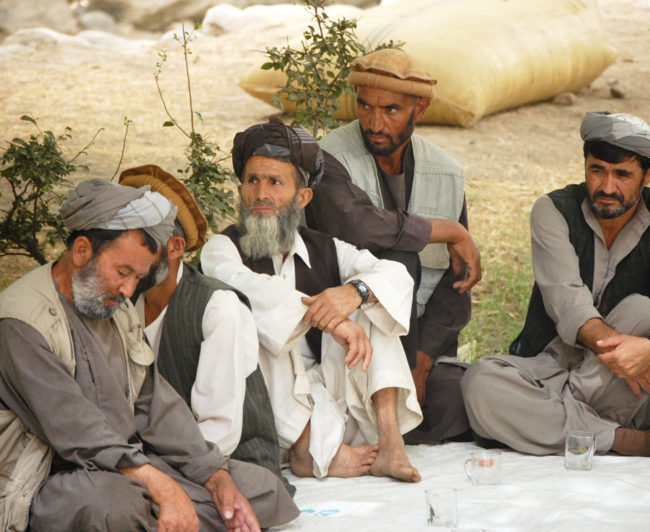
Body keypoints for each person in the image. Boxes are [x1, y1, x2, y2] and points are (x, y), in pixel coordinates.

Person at [0, 179, 298, 531]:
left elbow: (154, 403)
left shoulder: (113, 306)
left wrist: (214, 476)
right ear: (81, 251)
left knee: (260, 488)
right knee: (114, 507)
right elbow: (77, 431)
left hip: (129, 464)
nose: (128, 290)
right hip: (53, 476)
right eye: (122, 272)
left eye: (137, 278)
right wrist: (162, 487)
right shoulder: (21, 322)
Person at [462, 111, 650, 459]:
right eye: (597, 170)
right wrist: (619, 354)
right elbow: (568, 302)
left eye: (622, 174)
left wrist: (648, 349)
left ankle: (550, 419)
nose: (607, 187)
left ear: (648, 174)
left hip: (636, 383)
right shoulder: (553, 211)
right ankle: (619, 438)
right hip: (554, 365)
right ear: (585, 165)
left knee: (644, 312)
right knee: (479, 382)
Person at [200, 122, 424, 482]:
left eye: (275, 182)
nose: (261, 194)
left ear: (302, 197)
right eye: (253, 181)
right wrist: (330, 318)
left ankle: (390, 444)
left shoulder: (326, 248)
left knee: (374, 301)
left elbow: (396, 274)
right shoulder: (221, 248)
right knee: (251, 320)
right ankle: (307, 450)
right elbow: (245, 286)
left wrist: (355, 293)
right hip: (268, 406)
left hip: (330, 397)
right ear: (241, 191)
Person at [307, 48, 481, 444]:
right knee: (400, 257)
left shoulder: (446, 171)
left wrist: (421, 362)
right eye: (365, 107)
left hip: (420, 344)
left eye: (390, 110)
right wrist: (448, 230)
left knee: (462, 399)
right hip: (348, 336)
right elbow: (360, 226)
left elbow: (457, 281)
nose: (374, 123)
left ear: (420, 108)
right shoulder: (329, 158)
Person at [119, 164, 291, 493]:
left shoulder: (218, 308)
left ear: (175, 248)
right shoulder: (123, 302)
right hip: (154, 458)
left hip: (226, 464)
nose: (124, 253)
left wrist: (152, 472)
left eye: (139, 242)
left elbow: (219, 433)